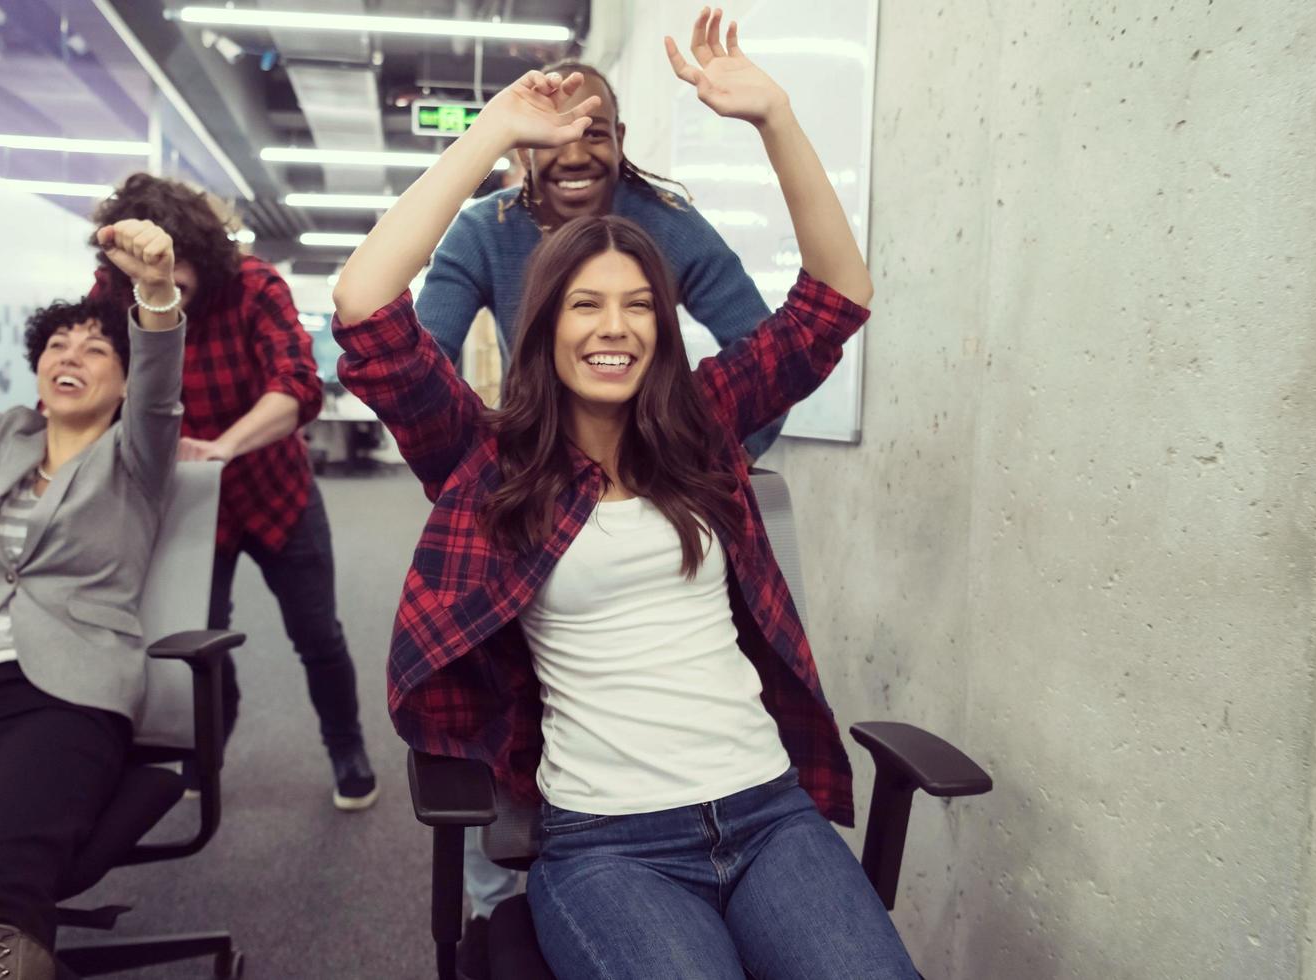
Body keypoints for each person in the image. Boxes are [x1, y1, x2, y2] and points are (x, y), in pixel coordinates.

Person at [331, 9, 916, 978]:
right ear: (546, 326)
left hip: (769, 809)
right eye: (585, 304)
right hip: (609, 842)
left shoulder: (703, 429)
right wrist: (494, 135)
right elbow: (365, 311)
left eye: (639, 304)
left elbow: (834, 297)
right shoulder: (492, 466)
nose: (616, 326)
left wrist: (774, 114)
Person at [88, 176, 378, 811]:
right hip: (188, 501)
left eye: (179, 262)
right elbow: (97, 383)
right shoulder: (114, 292)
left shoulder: (254, 284)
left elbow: (298, 385)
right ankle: (207, 745)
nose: (167, 278)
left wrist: (225, 445)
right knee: (196, 639)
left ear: (201, 249)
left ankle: (347, 748)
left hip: (275, 489)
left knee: (317, 635)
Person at [0, 221, 185, 979]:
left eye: (94, 348)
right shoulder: (1, 438)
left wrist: (153, 290)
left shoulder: (137, 455)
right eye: (57, 346)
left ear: (122, 382)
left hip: (64, 696)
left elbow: (160, 378)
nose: (69, 357)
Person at [416, 59, 784, 461]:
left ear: (618, 139)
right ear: (524, 151)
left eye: (593, 134)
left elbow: (774, 360)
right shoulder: (482, 231)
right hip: (534, 463)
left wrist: (721, 461)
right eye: (552, 137)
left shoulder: (671, 224)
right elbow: (420, 369)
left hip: (646, 466)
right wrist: (478, 467)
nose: (573, 155)